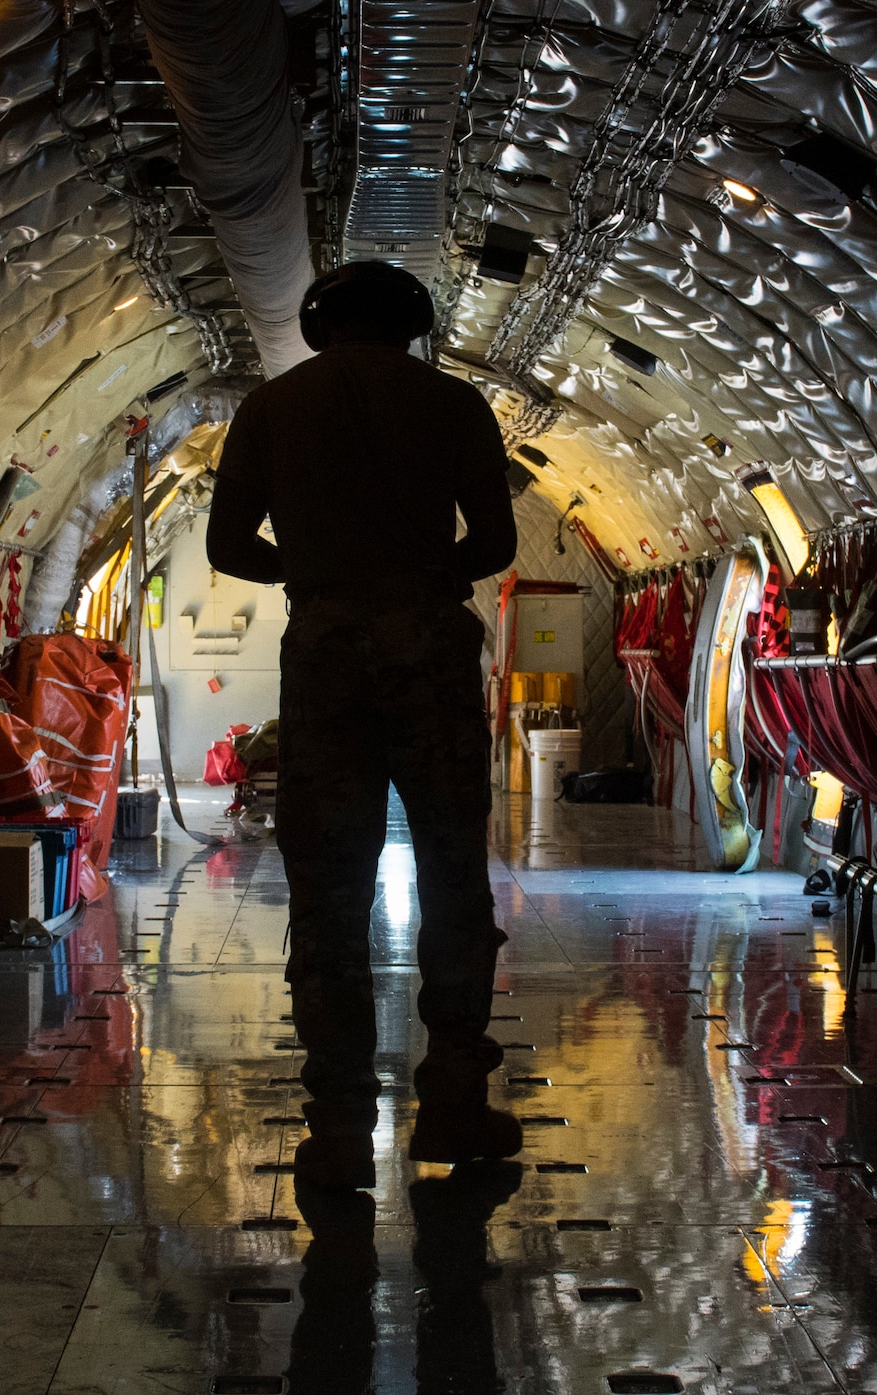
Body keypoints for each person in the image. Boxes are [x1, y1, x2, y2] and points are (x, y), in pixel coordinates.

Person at [206, 262, 521, 1189]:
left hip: (326, 656)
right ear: (413, 324)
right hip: (430, 651)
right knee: (455, 877)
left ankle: (340, 1125)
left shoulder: (270, 410)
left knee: (329, 888)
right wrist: (422, 571)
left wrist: (314, 569)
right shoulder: (456, 406)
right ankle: (455, 1104)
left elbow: (229, 545)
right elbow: (496, 543)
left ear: (321, 325)